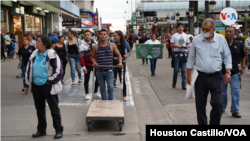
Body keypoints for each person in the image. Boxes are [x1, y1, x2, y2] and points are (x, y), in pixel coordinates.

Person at [187, 18, 232, 125]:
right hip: (200, 77)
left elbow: (227, 56)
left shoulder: (221, 39)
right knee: (200, 105)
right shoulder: (197, 40)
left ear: (213, 29)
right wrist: (189, 75)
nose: (204, 32)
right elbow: (191, 58)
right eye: (203, 29)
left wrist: (227, 72)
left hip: (216, 77)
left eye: (207, 29)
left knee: (218, 103)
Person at [24, 35, 63, 139]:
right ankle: (41, 130)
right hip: (36, 86)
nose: (36, 43)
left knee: (54, 109)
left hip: (48, 86)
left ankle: (58, 130)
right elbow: (28, 70)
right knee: (39, 109)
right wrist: (26, 84)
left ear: (45, 44)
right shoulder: (33, 54)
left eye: (39, 41)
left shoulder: (52, 54)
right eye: (36, 41)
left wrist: (49, 82)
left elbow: (59, 71)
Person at [91, 29, 123, 100]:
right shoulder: (95, 47)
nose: (103, 36)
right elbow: (92, 57)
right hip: (99, 71)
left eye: (104, 34)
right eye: (101, 34)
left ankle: (111, 102)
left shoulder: (112, 45)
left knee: (110, 87)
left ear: (107, 36)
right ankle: (105, 102)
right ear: (98, 36)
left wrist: (120, 63)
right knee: (102, 88)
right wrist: (94, 62)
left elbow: (119, 55)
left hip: (109, 71)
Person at [222, 26, 245, 118]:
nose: (228, 33)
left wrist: (243, 67)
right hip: (222, 72)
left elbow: (243, 56)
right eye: (227, 32)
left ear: (234, 33)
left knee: (235, 92)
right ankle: (222, 107)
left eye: (230, 32)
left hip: (235, 73)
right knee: (222, 92)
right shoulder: (221, 43)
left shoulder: (238, 44)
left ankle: (235, 110)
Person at [79, 30, 101, 100]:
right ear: (83, 36)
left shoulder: (95, 43)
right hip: (87, 65)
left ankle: (95, 92)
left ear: (91, 35)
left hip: (95, 64)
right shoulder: (81, 45)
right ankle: (87, 93)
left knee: (98, 78)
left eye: (88, 35)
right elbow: (81, 57)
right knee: (86, 79)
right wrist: (83, 67)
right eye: (85, 35)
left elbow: (98, 54)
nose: (87, 36)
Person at [170, 23, 190, 90]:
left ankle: (183, 84)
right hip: (176, 55)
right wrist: (177, 46)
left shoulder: (185, 35)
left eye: (181, 27)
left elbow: (188, 43)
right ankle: (174, 82)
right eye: (179, 27)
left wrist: (186, 46)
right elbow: (171, 45)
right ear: (177, 28)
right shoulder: (174, 36)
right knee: (176, 70)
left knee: (184, 70)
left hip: (183, 54)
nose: (180, 28)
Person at [113, 30, 132, 101]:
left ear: (119, 36)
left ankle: (124, 95)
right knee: (112, 79)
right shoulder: (112, 44)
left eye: (115, 36)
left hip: (122, 63)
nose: (113, 37)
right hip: (113, 63)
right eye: (113, 36)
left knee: (122, 80)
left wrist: (127, 55)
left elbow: (130, 51)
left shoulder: (126, 43)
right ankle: (110, 93)